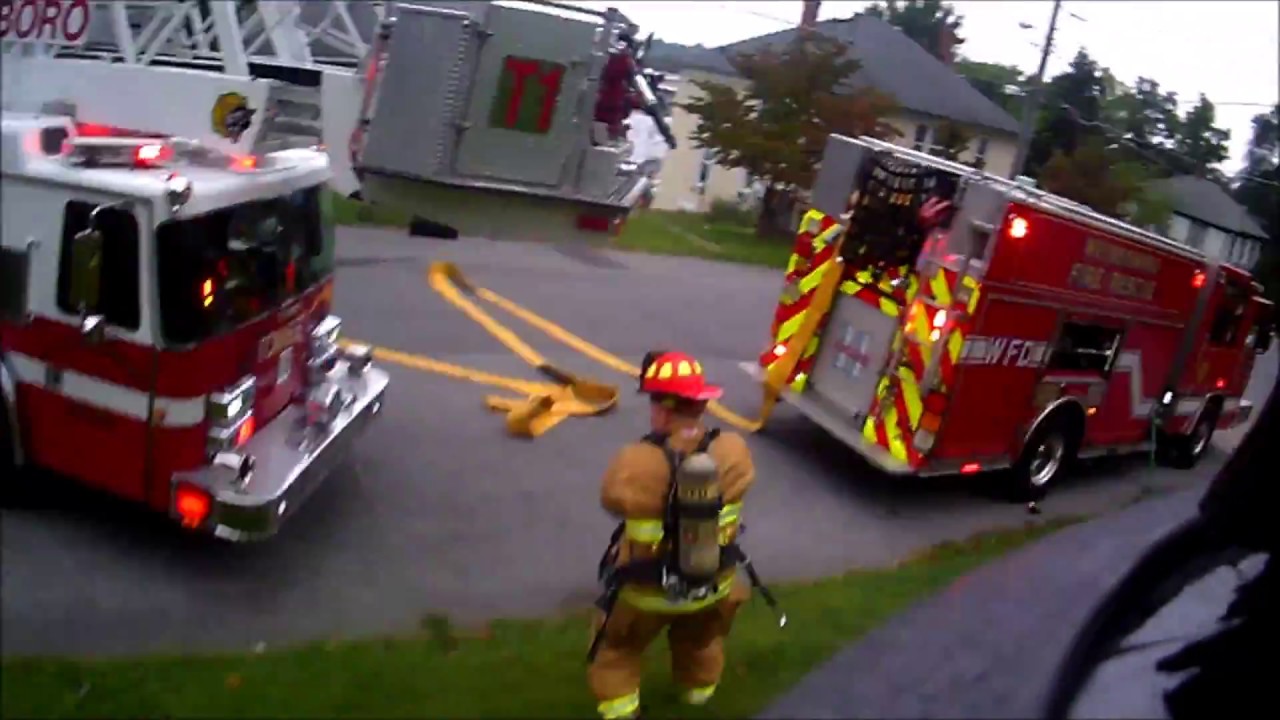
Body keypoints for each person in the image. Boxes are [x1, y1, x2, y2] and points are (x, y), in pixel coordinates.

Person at [587, 350, 756, 720]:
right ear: (701, 403)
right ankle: (697, 695)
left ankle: (621, 710)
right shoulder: (734, 451)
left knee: (617, 649)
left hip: (646, 593)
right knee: (700, 641)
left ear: (662, 410)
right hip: (715, 584)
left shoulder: (636, 460)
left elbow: (612, 500)